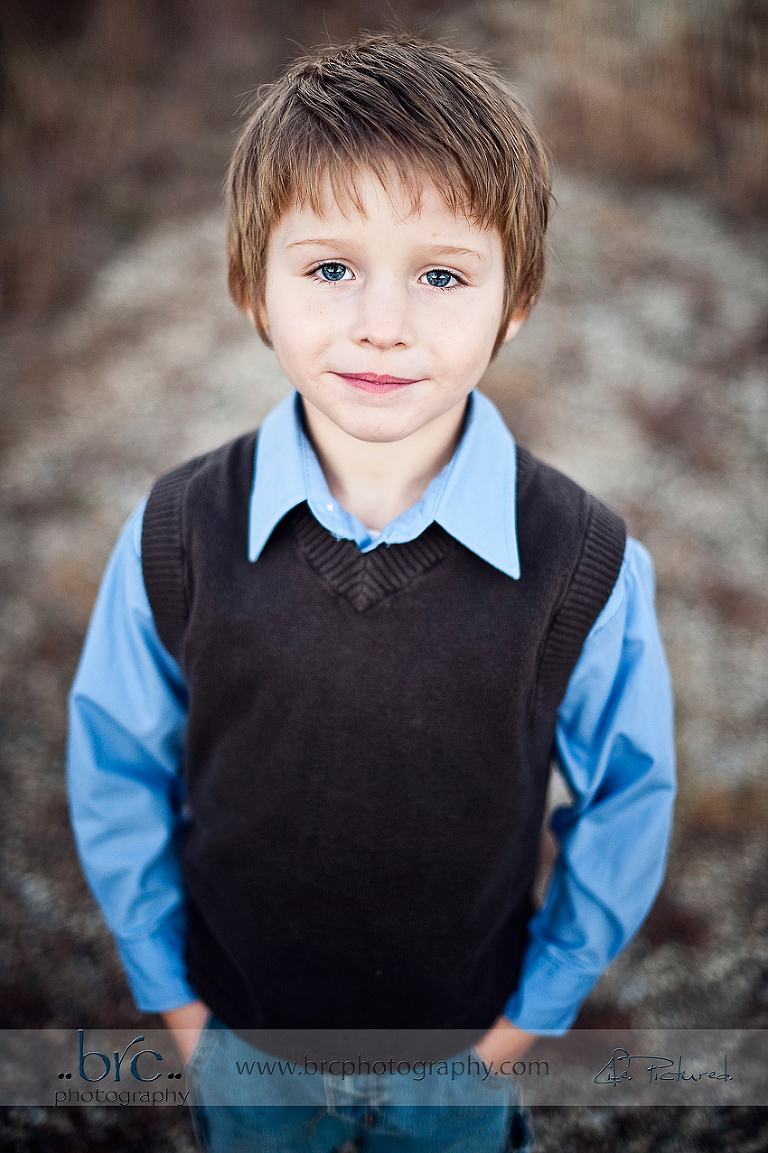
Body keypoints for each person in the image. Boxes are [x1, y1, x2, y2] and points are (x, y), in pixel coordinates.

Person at [67, 32, 675, 1153]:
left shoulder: (582, 563)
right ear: (252, 284)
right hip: (244, 1037)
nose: (381, 323)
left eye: (442, 275)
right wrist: (181, 1008)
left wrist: (518, 1030)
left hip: (458, 1054)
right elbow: (116, 767)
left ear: (515, 300)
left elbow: (628, 799)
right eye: (330, 267)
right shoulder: (177, 534)